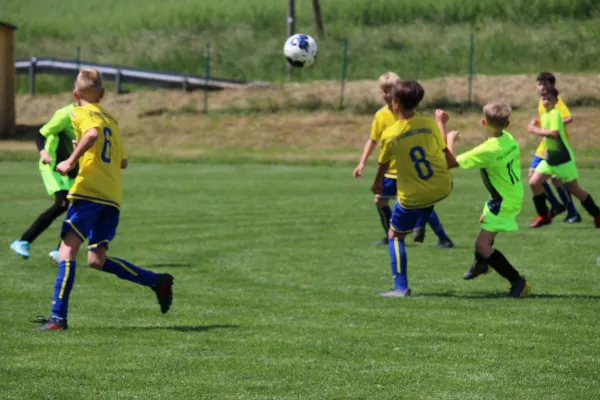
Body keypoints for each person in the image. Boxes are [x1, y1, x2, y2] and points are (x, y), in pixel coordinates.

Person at [34, 68, 174, 331]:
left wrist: (70, 159)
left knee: (66, 251)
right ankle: (157, 281)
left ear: (76, 94)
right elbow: (122, 161)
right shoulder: (112, 118)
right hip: (111, 196)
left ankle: (57, 318)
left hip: (89, 192)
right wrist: (83, 150)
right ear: (103, 93)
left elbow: (93, 134)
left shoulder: (79, 112)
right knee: (96, 259)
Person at [371, 80, 454, 297]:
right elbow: (444, 150)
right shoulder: (429, 125)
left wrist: (377, 181)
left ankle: (401, 288)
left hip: (414, 195)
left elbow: (383, 163)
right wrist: (441, 123)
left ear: (395, 102)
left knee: (395, 235)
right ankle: (422, 221)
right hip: (443, 185)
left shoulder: (390, 134)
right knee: (428, 197)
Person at [354, 72, 453, 248]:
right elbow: (373, 140)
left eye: (391, 90)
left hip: (409, 170)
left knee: (419, 202)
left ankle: (441, 237)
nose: (388, 94)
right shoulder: (380, 115)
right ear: (380, 92)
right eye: (384, 90)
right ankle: (390, 233)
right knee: (380, 201)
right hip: (391, 171)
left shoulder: (411, 116)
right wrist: (362, 162)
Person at [445, 103, 531, 297]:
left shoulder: (488, 150)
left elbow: (449, 162)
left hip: (503, 200)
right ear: (508, 124)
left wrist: (449, 138)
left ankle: (518, 281)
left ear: (483, 122)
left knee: (482, 245)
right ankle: (482, 263)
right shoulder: (509, 139)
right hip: (511, 193)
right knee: (485, 221)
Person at [11, 104, 77, 263]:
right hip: (52, 165)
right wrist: (43, 153)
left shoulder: (89, 115)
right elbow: (40, 135)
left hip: (70, 168)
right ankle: (22, 241)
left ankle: (60, 250)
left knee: (81, 206)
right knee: (62, 203)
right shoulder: (65, 114)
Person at [528, 87, 600, 228]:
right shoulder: (545, 115)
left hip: (563, 159)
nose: (546, 101)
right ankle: (544, 216)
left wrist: (533, 129)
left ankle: (597, 215)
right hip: (550, 159)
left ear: (556, 101)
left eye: (549, 98)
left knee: (574, 189)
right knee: (534, 183)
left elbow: (554, 133)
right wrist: (537, 124)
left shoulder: (555, 113)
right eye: (543, 98)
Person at [529, 72, 580, 226]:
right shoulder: (541, 101)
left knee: (556, 180)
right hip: (544, 145)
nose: (542, 87)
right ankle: (556, 205)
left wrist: (554, 125)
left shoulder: (556, 101)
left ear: (553, 86)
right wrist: (540, 123)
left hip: (555, 145)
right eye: (540, 84)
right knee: (534, 176)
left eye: (546, 84)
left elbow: (568, 117)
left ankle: (571, 211)